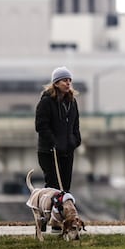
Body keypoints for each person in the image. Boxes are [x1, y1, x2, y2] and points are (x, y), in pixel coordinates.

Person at [35, 66, 81, 233]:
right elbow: (41, 125)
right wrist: (53, 142)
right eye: (64, 80)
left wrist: (75, 140)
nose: (68, 83)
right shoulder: (46, 101)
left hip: (67, 151)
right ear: (56, 83)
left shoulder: (72, 102)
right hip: (49, 151)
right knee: (53, 187)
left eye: (69, 80)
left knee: (65, 188)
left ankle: (58, 221)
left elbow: (75, 125)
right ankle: (46, 218)